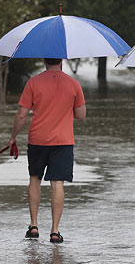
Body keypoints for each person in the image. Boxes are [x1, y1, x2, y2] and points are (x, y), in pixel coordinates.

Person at [8, 58, 86, 243]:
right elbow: (81, 115)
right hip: (63, 141)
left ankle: (34, 226)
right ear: (61, 60)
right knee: (57, 183)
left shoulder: (33, 82)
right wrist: (66, 108)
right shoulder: (73, 84)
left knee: (35, 179)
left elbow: (21, 115)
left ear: (44, 60)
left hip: (38, 140)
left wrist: (13, 137)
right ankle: (55, 231)